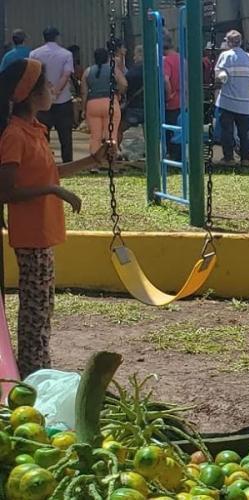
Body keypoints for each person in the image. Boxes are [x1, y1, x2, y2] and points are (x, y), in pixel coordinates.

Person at [0, 59, 111, 377]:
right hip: (30, 235)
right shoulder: (14, 136)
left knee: (42, 306)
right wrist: (53, 191)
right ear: (31, 95)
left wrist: (92, 160)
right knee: (35, 310)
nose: (52, 89)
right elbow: (5, 190)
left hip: (43, 233)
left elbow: (49, 172)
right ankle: (33, 373)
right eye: (46, 85)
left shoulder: (35, 130)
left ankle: (37, 367)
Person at [30, 27, 74, 162]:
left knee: (42, 135)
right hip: (63, 100)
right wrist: (56, 90)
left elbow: (36, 75)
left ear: (44, 38)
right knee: (65, 135)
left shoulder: (34, 54)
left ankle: (44, 161)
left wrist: (48, 89)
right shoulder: (66, 54)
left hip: (42, 101)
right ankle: (67, 162)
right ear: (57, 37)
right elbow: (66, 74)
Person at [215, 30, 249, 167]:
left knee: (227, 131)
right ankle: (245, 159)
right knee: (244, 133)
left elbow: (220, 75)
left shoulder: (225, 55)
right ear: (240, 42)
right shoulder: (248, 57)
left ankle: (229, 157)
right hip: (244, 103)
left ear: (229, 42)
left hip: (227, 101)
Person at [81, 48, 126, 156]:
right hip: (110, 102)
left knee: (95, 136)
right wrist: (119, 92)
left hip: (92, 104)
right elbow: (124, 84)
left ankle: (94, 163)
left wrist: (83, 109)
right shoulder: (113, 69)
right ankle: (111, 161)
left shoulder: (87, 71)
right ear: (107, 58)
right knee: (111, 135)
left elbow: (84, 93)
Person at [162, 32, 182, 161]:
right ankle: (179, 156)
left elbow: (165, 80)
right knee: (180, 131)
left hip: (172, 102)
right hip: (183, 101)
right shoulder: (182, 59)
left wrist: (168, 96)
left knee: (169, 131)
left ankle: (173, 157)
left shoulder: (167, 61)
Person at [121, 45, 144, 137]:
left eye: (135, 55)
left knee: (132, 134)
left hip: (133, 107)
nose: (134, 58)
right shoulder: (155, 71)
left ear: (140, 55)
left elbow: (124, 88)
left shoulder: (130, 73)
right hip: (151, 108)